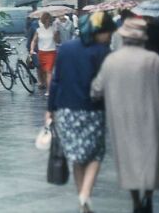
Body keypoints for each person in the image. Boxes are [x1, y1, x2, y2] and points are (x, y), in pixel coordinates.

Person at [91, 18, 159, 213]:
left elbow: (96, 89)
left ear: (124, 38)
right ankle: (148, 197)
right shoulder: (152, 60)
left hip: (122, 121)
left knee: (128, 160)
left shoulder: (112, 60)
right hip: (151, 120)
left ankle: (136, 201)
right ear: (143, 38)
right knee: (151, 158)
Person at [47, 11, 115, 213]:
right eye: (108, 33)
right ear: (99, 31)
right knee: (95, 155)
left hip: (67, 111)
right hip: (93, 110)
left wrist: (50, 109)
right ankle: (85, 195)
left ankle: (82, 200)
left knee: (77, 156)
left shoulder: (66, 49)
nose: (109, 37)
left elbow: (56, 81)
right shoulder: (102, 52)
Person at [30, 12, 60, 95]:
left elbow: (58, 41)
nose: (47, 21)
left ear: (50, 20)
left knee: (48, 71)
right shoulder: (39, 30)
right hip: (42, 53)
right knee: (43, 72)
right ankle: (48, 87)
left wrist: (56, 35)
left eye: (48, 19)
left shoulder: (53, 29)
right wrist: (32, 49)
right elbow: (34, 41)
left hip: (51, 52)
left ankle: (49, 91)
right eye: (45, 19)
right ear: (43, 20)